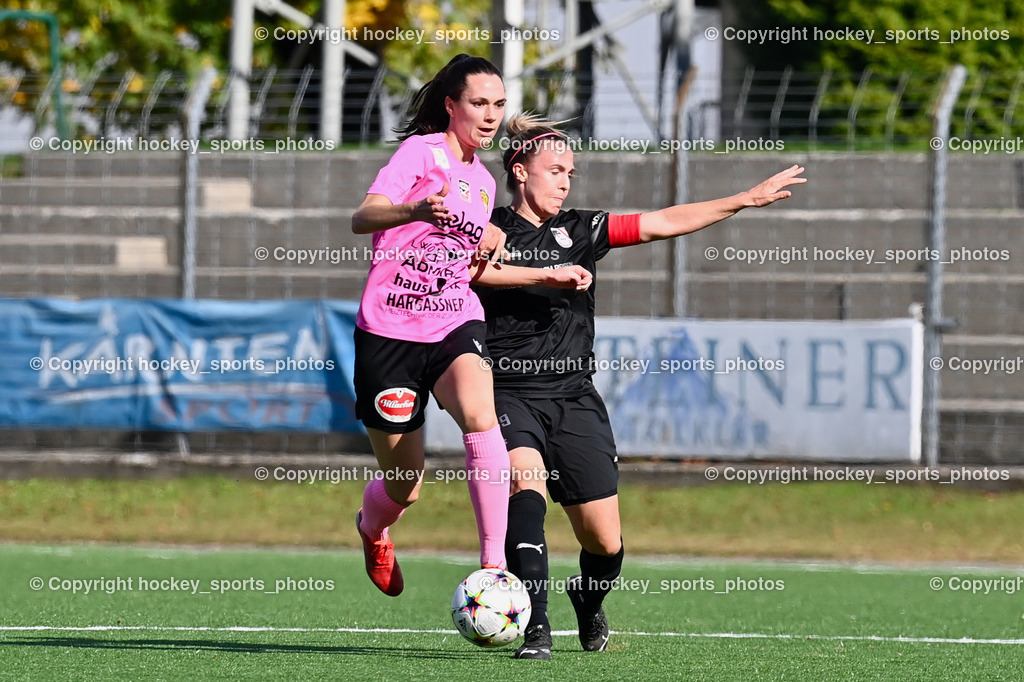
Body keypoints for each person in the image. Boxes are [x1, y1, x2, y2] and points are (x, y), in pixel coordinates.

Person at [474, 113, 806, 657]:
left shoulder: (580, 230)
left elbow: (660, 222)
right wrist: (542, 275)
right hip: (508, 392)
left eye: (571, 173)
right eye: (554, 169)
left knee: (604, 543)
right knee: (524, 490)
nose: (564, 180)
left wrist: (742, 199)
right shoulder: (488, 230)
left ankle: (589, 599)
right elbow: (465, 271)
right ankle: (533, 624)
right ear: (519, 170)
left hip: (575, 397)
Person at [351, 58, 592, 598]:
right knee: (405, 485)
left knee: (483, 419)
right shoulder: (421, 153)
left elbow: (471, 268)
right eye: (479, 103)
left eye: (498, 104)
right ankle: (373, 528)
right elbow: (362, 218)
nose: (490, 115)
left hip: (454, 319)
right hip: (390, 332)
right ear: (451, 106)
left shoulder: (483, 182)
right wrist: (413, 209)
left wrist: (545, 273)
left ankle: (493, 570)